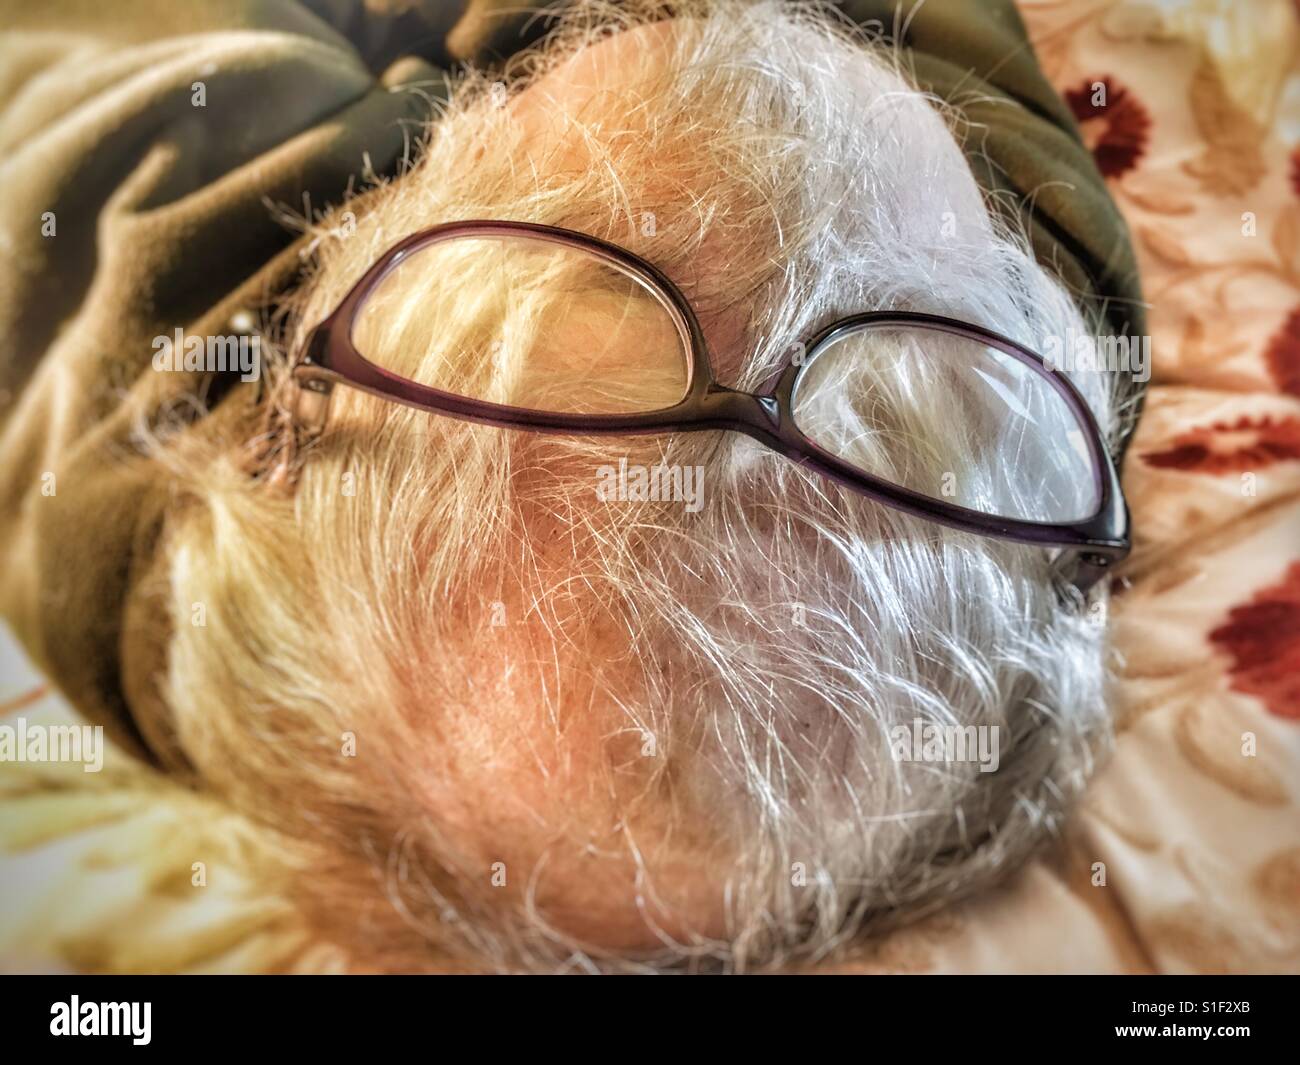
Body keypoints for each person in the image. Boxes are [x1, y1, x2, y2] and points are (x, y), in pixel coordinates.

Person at [0, 0, 1146, 972]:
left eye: (576, 295)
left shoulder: (138, 354)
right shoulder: (1039, 353)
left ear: (294, 431)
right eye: (885, 400)